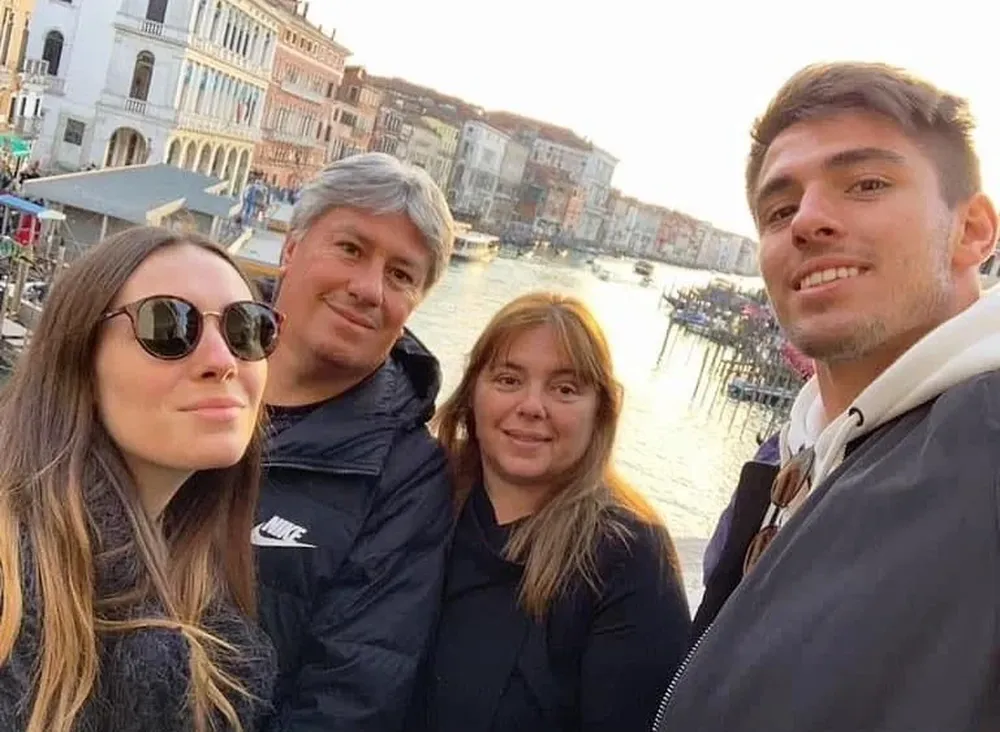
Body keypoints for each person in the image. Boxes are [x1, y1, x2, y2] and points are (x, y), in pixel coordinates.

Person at [654, 62, 1000, 732]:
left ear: (973, 231)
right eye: (779, 210)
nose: (807, 221)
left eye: (867, 184)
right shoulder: (791, 454)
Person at [0, 227, 283, 732]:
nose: (223, 361)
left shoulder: (206, 598)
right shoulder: (11, 588)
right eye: (168, 326)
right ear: (79, 361)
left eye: (247, 329)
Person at [411, 292, 692, 732]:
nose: (531, 406)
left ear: (601, 411)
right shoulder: (417, 497)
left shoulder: (628, 556)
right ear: (471, 395)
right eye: (508, 380)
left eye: (564, 389)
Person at [255, 152, 456, 732]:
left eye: (400, 275)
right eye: (350, 248)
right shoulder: (182, 362)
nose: (368, 289)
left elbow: (348, 699)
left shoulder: (408, 480)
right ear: (292, 248)